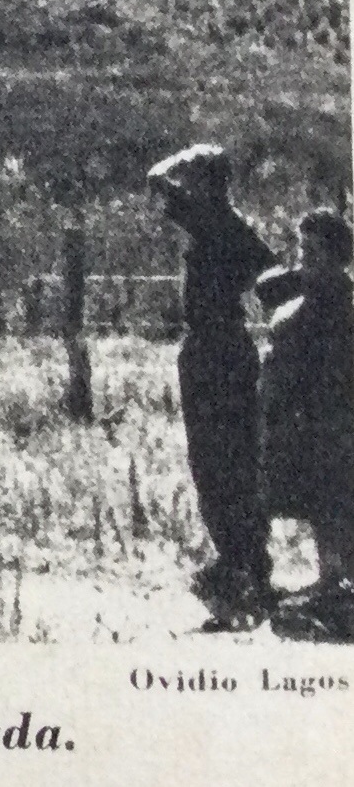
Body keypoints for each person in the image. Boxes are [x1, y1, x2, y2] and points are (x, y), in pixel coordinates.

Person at [149, 144, 278, 629]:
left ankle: (238, 562)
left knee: (215, 457)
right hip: (232, 346)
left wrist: (179, 159)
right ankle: (248, 560)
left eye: (196, 178)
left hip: (210, 349)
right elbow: (271, 275)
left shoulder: (210, 221)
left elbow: (154, 178)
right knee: (238, 454)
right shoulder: (235, 225)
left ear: (206, 183)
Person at [259, 210, 354, 639]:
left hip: (339, 418)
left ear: (339, 257)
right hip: (309, 421)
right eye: (303, 250)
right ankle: (331, 578)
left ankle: (341, 582)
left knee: (339, 498)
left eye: (316, 252)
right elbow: (267, 288)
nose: (306, 260)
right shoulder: (300, 303)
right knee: (321, 500)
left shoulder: (340, 307)